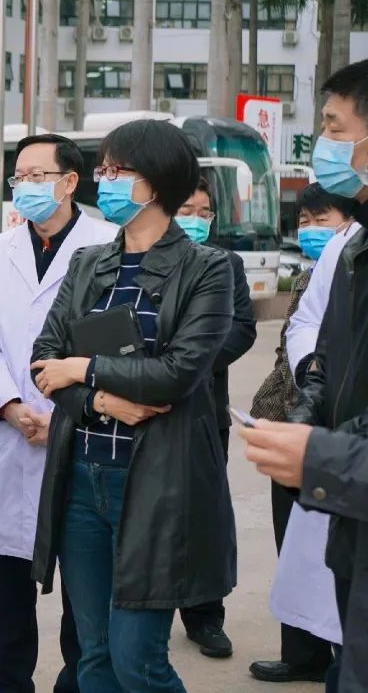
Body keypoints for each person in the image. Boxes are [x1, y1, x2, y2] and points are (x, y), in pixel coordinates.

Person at [30, 119, 235, 692]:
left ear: (158, 180)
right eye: (103, 169)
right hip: (81, 476)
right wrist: (99, 399)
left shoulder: (208, 268)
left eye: (117, 169)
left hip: (156, 484)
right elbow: (44, 359)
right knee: (93, 655)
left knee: (136, 659)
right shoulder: (88, 263)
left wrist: (83, 369)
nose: (105, 180)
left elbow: (179, 373)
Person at [0, 134, 111, 693]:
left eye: (36, 176)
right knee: (7, 594)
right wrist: (8, 404)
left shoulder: (107, 245)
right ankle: (10, 683)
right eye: (18, 177)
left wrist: (65, 416)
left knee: (84, 591)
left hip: (81, 434)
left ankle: (77, 681)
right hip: (10, 433)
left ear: (69, 182)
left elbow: (113, 347)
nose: (24, 186)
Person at [244, 58, 368, 693]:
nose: (322, 141)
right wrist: (311, 403)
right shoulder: (356, 251)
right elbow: (331, 352)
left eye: (334, 126)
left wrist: (324, 455)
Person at [172, 176, 258, 658]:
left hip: (204, 411)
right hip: (139, 408)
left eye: (204, 212)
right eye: (187, 209)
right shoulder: (140, 259)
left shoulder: (227, 263)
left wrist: (190, 363)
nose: (196, 219)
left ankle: (204, 616)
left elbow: (242, 327)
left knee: (203, 517)